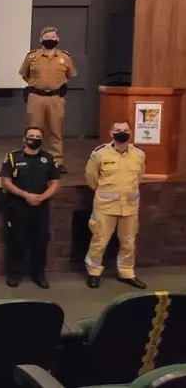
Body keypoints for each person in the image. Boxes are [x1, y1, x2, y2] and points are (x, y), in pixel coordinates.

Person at [84, 120, 147, 290]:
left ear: (130, 133)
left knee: (129, 242)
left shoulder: (139, 154)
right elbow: (91, 177)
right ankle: (93, 271)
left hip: (130, 206)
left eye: (126, 130)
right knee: (99, 240)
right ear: (111, 133)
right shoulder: (99, 153)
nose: (122, 132)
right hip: (105, 206)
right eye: (118, 130)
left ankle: (126, 272)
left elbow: (139, 176)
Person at [0, 126, 60, 289]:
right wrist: (26, 195)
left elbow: (55, 183)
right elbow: (5, 181)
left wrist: (42, 197)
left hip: (41, 207)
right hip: (18, 206)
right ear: (24, 139)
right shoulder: (12, 157)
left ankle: (39, 275)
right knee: (16, 240)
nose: (34, 138)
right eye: (31, 135)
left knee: (41, 242)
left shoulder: (48, 158)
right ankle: (14, 274)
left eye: (38, 136)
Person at [18, 26, 77, 173]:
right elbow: (24, 74)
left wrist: (56, 85)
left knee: (55, 131)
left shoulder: (65, 57)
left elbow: (70, 75)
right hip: (36, 97)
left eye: (53, 37)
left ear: (58, 39)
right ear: (41, 39)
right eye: (47, 37)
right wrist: (38, 85)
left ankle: (56, 161)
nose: (50, 40)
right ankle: (31, 159)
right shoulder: (32, 57)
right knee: (34, 130)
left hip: (55, 98)